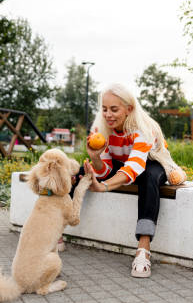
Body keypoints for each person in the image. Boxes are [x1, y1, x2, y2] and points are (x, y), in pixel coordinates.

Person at [69, 83, 186, 278]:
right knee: (81, 172)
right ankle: (55, 232)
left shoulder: (143, 128)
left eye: (114, 109)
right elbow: (104, 169)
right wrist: (96, 157)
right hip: (123, 164)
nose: (108, 115)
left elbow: (135, 167)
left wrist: (104, 186)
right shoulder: (101, 127)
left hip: (152, 162)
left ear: (129, 109)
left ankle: (143, 249)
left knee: (148, 178)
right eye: (105, 109)